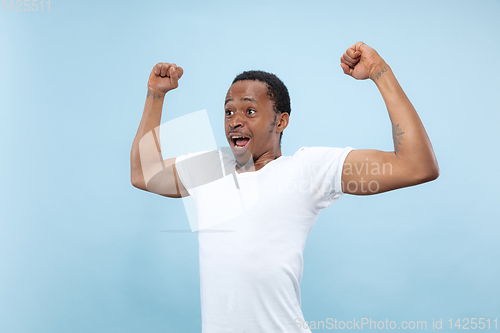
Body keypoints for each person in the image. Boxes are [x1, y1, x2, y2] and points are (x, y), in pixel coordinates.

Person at [130, 41, 439, 333]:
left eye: (249, 111)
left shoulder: (307, 169)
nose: (234, 121)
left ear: (281, 122)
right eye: (228, 111)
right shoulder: (209, 168)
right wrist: (155, 95)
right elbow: (144, 173)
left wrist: (380, 73)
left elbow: (416, 166)